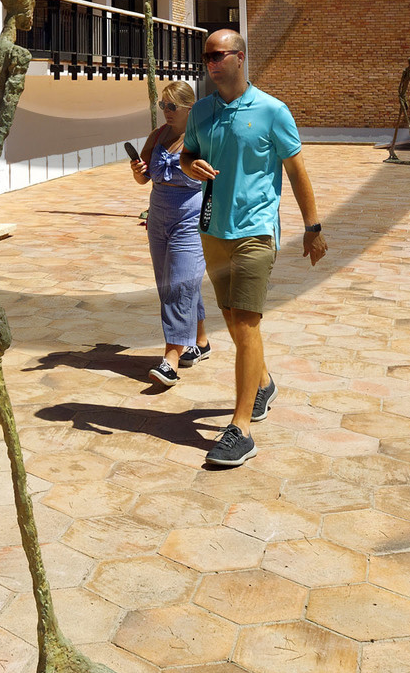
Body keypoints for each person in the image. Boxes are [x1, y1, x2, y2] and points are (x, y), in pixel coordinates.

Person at [179, 28, 325, 469]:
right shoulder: (201, 112)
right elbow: (186, 155)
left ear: (240, 58)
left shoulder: (271, 110)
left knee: (245, 324)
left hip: (255, 232)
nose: (210, 63)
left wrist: (312, 227)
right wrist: (191, 165)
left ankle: (240, 428)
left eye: (218, 55)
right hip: (213, 231)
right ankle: (262, 381)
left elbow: (296, 171)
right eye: (206, 56)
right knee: (232, 319)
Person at [128, 81, 211, 387]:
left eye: (172, 106)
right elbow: (144, 176)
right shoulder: (158, 135)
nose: (166, 111)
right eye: (163, 105)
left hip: (190, 216)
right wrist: (138, 173)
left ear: (191, 109)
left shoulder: (202, 138)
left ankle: (171, 359)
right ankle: (200, 341)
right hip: (159, 215)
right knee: (174, 282)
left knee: (179, 284)